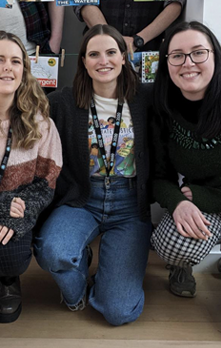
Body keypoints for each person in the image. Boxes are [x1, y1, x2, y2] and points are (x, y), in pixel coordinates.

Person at [35, 24, 153, 326]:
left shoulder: (145, 100)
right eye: (94, 54)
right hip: (82, 199)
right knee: (53, 252)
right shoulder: (63, 101)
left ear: (124, 57)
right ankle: (77, 287)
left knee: (119, 312)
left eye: (111, 52)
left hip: (130, 206)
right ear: (84, 62)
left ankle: (110, 275)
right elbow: (29, 128)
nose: (104, 61)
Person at [0, 31, 62, 332]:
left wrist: (19, 218)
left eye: (15, 61)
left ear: (24, 71)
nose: (8, 67)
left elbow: (46, 184)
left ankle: (8, 281)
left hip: (9, 218)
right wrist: (1, 204)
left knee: (7, 255)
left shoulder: (41, 124)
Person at [150, 21, 221, 298]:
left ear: (214, 54)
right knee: (172, 246)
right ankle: (182, 266)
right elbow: (158, 176)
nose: (188, 63)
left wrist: (206, 198)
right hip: (200, 198)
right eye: (177, 55)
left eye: (198, 52)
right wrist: (178, 202)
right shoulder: (163, 107)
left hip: (209, 196)